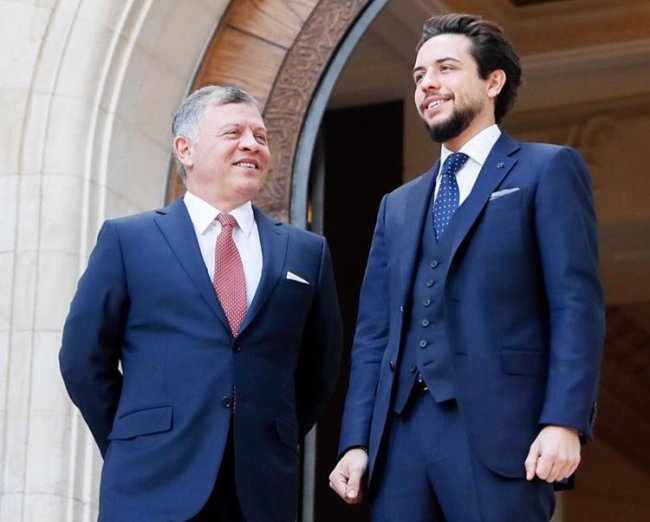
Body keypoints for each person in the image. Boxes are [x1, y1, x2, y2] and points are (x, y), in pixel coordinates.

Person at [329, 13, 604, 522]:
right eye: (419, 75)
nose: (427, 84)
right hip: (400, 439)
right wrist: (356, 441)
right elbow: (374, 334)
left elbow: (575, 305)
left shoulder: (546, 169)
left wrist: (564, 420)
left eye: (446, 68)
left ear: (492, 81)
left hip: (503, 434)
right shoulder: (397, 205)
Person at [59, 85, 342, 522]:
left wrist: (264, 433)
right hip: (149, 484)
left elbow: (319, 371)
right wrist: (134, 440)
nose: (251, 144)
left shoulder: (307, 252)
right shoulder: (129, 240)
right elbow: (82, 359)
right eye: (233, 133)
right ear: (185, 149)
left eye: (260, 136)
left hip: (261, 490)